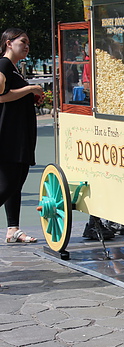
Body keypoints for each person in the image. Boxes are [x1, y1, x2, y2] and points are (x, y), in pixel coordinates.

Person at [0, 28, 44, 243]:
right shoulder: (3, 65)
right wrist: (30, 89)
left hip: (19, 135)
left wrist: (30, 96)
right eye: (22, 41)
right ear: (9, 43)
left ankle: (13, 229)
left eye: (28, 42)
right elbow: (0, 96)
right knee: (7, 185)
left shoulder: (14, 69)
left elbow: (11, 96)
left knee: (16, 184)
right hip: (9, 136)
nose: (26, 46)